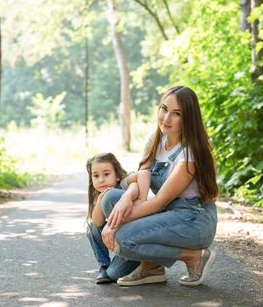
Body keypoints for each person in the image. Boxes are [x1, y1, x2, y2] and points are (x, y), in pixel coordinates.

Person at [100, 86, 219, 286]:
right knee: (111, 198)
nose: (166, 118)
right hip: (168, 212)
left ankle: (193, 256)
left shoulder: (191, 152)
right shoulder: (157, 140)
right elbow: (140, 177)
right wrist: (127, 198)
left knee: (121, 240)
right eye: (164, 109)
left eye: (177, 114)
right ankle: (152, 266)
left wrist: (112, 225)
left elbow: (159, 202)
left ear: (188, 118)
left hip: (194, 220)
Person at [85, 152, 150, 284]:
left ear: (118, 175)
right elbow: (97, 223)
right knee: (91, 228)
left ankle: (147, 263)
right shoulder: (100, 195)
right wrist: (101, 198)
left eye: (106, 174)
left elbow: (143, 174)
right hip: (123, 243)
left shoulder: (124, 185)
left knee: (114, 275)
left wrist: (140, 200)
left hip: (136, 242)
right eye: (96, 176)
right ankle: (104, 266)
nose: (101, 180)